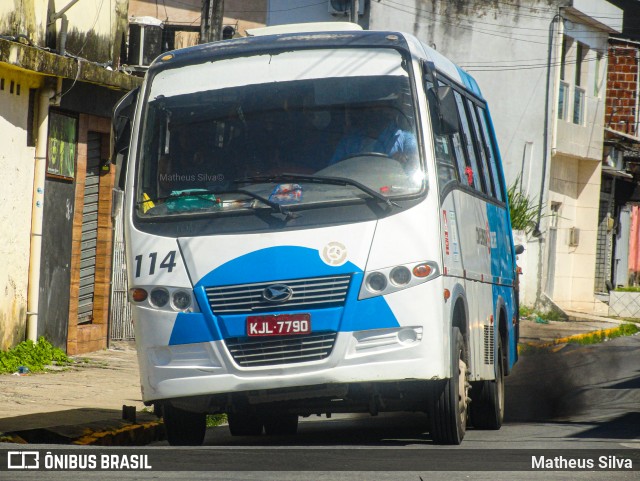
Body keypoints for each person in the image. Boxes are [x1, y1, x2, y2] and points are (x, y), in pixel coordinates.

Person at [328, 104, 418, 167]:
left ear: (390, 110)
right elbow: (334, 168)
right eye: (370, 109)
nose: (374, 112)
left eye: (380, 108)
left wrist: (403, 161)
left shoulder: (406, 139)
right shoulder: (350, 140)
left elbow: (415, 170)